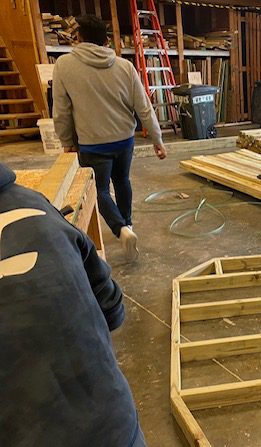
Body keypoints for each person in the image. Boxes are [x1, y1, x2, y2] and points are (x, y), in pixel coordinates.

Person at [0, 163, 147, 447]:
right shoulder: (33, 202)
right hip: (123, 446)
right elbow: (112, 307)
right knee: (118, 180)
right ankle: (125, 223)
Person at [53, 14, 167, 263]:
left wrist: (67, 141)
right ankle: (128, 224)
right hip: (124, 139)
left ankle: (120, 229)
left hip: (93, 142)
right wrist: (157, 138)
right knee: (122, 180)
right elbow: (144, 106)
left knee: (100, 189)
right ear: (105, 40)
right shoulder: (124, 66)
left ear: (79, 37)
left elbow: (61, 110)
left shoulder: (64, 65)